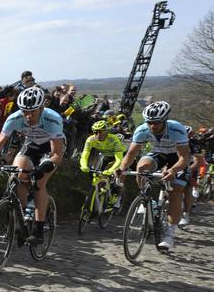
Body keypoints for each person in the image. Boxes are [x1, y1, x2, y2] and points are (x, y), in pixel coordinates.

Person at [0, 87, 64, 244]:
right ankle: (22, 218)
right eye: (24, 111)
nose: (28, 116)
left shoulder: (53, 118)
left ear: (42, 108)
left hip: (50, 149)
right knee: (17, 177)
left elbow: (57, 154)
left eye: (32, 112)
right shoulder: (15, 118)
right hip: (31, 145)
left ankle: (38, 230)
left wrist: (44, 167)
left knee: (39, 182)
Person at [118, 101, 189, 250]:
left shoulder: (176, 129)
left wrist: (173, 171)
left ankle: (169, 234)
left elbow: (184, 158)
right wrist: (122, 168)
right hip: (159, 154)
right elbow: (131, 153)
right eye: (149, 122)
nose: (152, 126)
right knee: (142, 166)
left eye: (156, 123)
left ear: (164, 120)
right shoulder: (142, 130)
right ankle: (147, 199)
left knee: (175, 193)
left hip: (177, 159)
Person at [79, 120, 126, 209]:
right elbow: (84, 155)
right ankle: (99, 197)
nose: (98, 135)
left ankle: (117, 198)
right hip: (107, 155)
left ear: (106, 132)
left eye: (100, 132)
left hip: (120, 155)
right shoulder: (90, 139)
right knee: (99, 175)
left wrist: (111, 170)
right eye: (95, 132)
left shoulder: (113, 139)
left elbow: (119, 159)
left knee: (117, 177)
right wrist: (84, 165)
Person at [179, 126, 205, 228]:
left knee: (187, 189)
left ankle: (185, 214)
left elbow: (198, 161)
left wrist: (187, 170)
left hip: (191, 166)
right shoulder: (174, 140)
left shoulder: (195, 143)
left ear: (190, 135)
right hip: (176, 165)